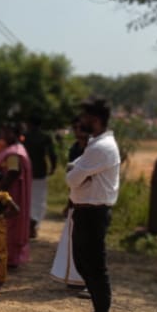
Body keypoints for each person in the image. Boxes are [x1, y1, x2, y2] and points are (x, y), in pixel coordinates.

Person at [67, 99, 121, 312]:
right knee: (82, 263)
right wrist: (78, 174)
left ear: (95, 119)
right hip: (86, 211)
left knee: (95, 267)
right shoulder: (95, 144)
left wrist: (77, 174)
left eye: (85, 117)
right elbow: (74, 171)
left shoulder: (101, 147)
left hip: (93, 212)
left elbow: (71, 178)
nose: (81, 121)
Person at [51, 122, 89, 289]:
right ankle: (74, 276)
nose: (76, 131)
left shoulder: (92, 150)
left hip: (90, 199)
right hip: (75, 195)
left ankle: (85, 279)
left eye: (79, 128)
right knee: (74, 240)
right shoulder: (75, 148)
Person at [0, 125, 33, 267]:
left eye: (7, 132)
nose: (3, 135)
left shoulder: (14, 153)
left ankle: (9, 257)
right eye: (2, 131)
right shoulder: (15, 150)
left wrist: (0, 189)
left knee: (9, 224)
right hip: (12, 192)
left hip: (12, 193)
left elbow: (13, 171)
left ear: (14, 134)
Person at [23, 114, 58, 238]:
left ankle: (28, 223)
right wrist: (53, 167)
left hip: (26, 172)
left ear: (29, 124)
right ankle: (35, 223)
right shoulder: (45, 137)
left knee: (27, 199)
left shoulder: (24, 137)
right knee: (39, 199)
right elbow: (52, 154)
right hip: (40, 172)